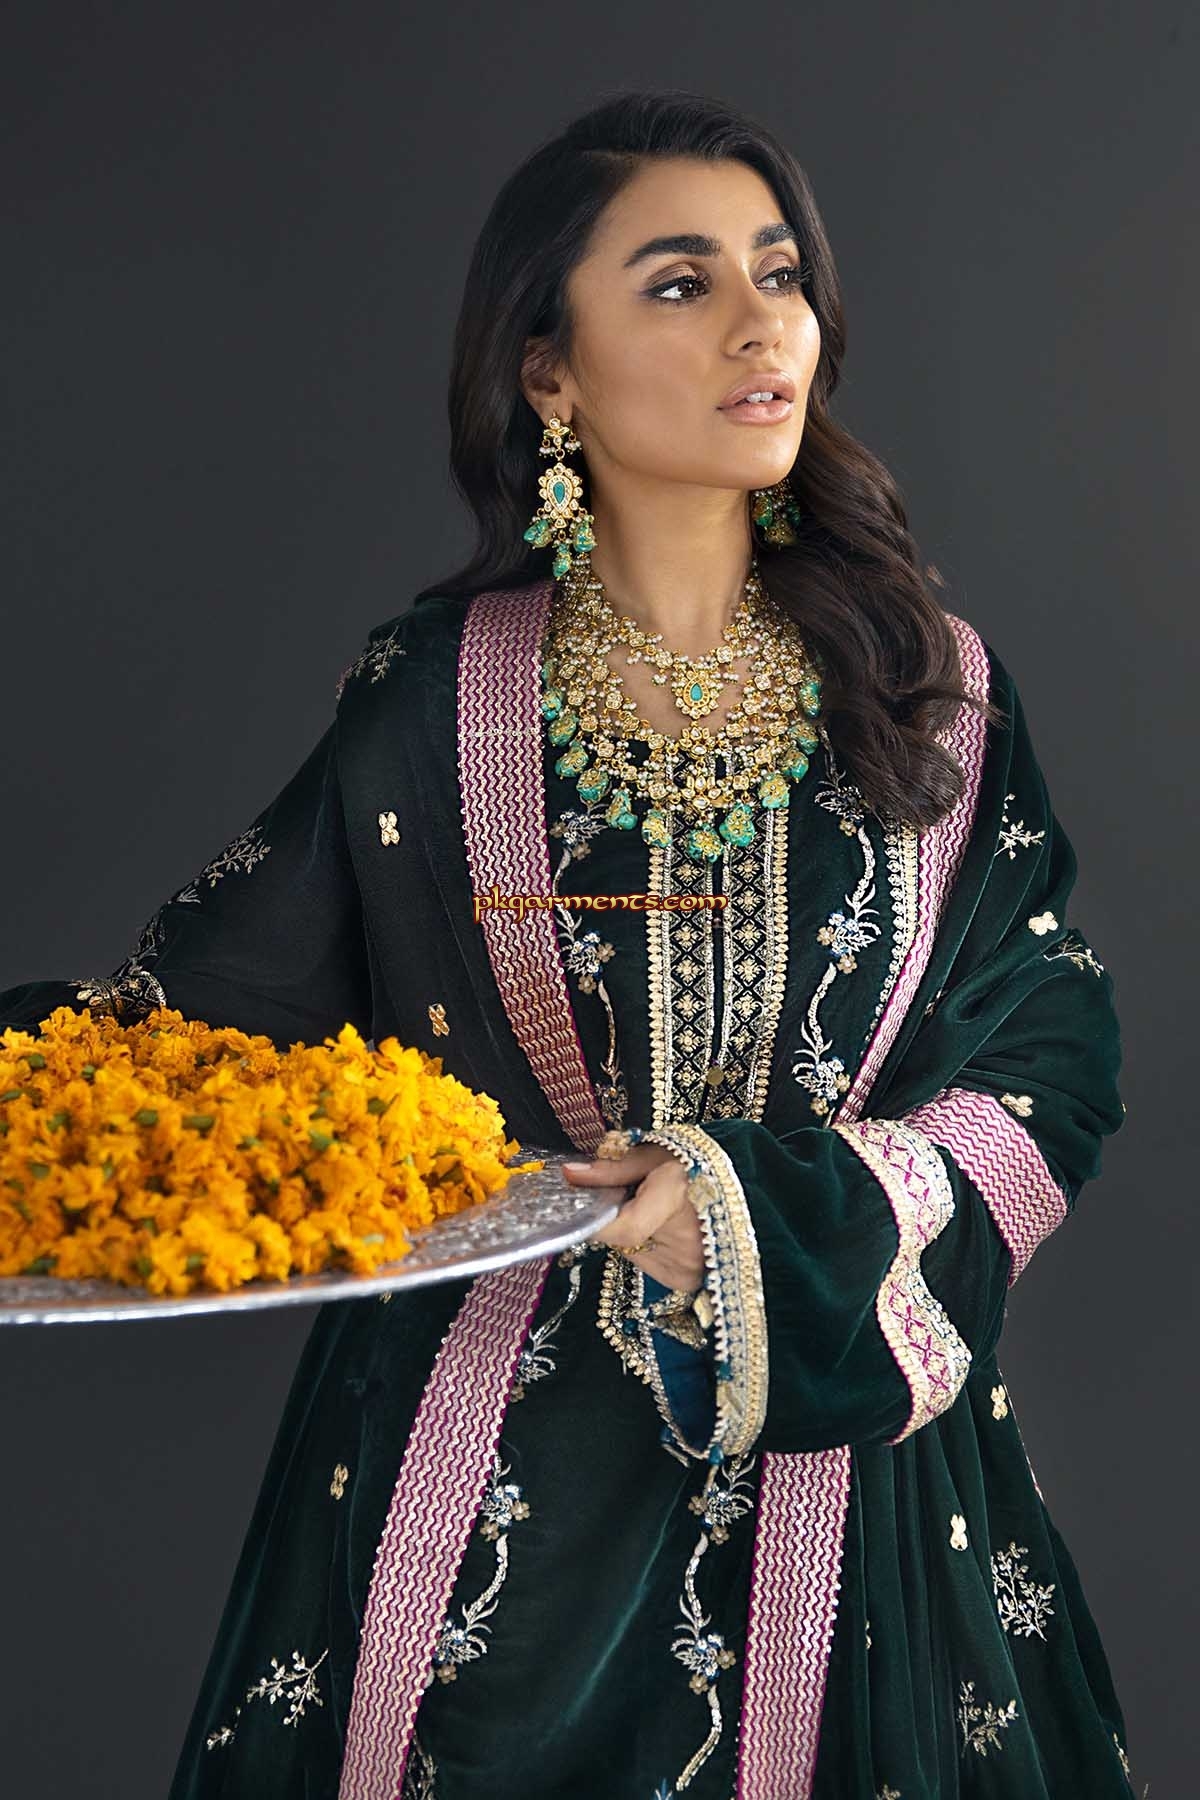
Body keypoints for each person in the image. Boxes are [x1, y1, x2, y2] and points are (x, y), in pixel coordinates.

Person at [0, 89, 1141, 1800]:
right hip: (489, 1486)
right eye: (682, 284)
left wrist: (761, 1217)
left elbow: (1053, 1049)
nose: (761, 324)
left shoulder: (930, 690)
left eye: (780, 274)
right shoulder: (437, 698)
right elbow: (205, 1028)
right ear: (550, 371)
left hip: (855, 1458)